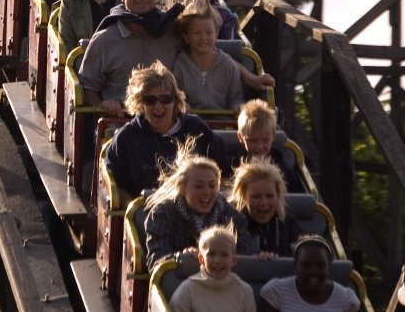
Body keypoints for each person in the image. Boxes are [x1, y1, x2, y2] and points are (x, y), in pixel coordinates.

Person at [104, 62, 228, 201]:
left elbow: (223, 174)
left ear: (175, 101)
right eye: (150, 100)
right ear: (139, 103)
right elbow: (118, 189)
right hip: (144, 211)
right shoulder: (126, 138)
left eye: (165, 99)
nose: (158, 106)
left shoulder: (197, 128)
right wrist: (137, 212)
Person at [78, 0, 183, 116]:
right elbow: (86, 89)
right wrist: (102, 105)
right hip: (120, 120)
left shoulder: (174, 32)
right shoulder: (104, 39)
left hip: (167, 119)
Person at [142, 137, 255, 271]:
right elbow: (156, 261)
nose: (207, 192)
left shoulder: (232, 216)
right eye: (198, 186)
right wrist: (183, 259)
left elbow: (246, 258)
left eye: (212, 186)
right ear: (182, 188)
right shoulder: (163, 214)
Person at [171, 0, 245, 112]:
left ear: (216, 34)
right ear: (187, 37)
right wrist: (181, 105)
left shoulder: (228, 65)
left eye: (209, 33)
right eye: (196, 33)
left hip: (222, 121)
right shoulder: (180, 65)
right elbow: (175, 95)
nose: (203, 38)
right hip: (190, 120)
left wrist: (237, 107)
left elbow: (236, 97)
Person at [230, 159, 303, 258]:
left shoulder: (289, 223)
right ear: (243, 198)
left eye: (269, 196)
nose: (264, 203)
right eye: (256, 197)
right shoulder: (232, 225)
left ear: (278, 196)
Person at [236, 100, 305, 194]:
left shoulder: (284, 171)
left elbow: (295, 196)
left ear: (273, 136)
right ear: (240, 137)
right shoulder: (233, 166)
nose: (259, 147)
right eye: (253, 140)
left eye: (265, 140)